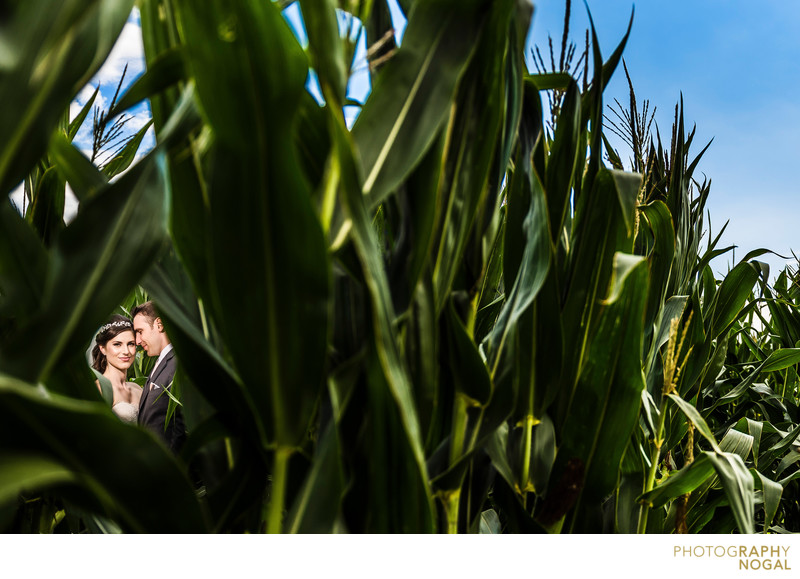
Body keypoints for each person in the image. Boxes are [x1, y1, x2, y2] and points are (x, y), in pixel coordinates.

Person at [132, 301, 186, 453]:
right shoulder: (160, 362)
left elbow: (181, 424)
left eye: (140, 331)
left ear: (159, 324)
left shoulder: (178, 364)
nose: (137, 341)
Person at [92, 314, 142, 424]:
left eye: (131, 344)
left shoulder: (138, 389)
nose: (126, 351)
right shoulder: (98, 390)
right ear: (102, 349)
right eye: (117, 344)